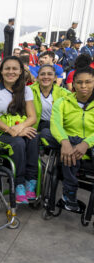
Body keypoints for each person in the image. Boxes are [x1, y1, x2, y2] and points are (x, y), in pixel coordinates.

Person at [0, 56, 39, 204]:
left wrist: (19, 128)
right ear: (1, 71)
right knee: (19, 143)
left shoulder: (26, 90)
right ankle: (19, 183)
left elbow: (32, 117)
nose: (11, 72)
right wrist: (11, 131)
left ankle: (31, 181)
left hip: (17, 128)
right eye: (7, 68)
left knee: (34, 138)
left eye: (15, 68)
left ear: (21, 71)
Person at [40, 67, 94, 211]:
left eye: (88, 82)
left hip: (90, 143)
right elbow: (56, 124)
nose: (83, 86)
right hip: (65, 140)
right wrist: (65, 142)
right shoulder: (62, 102)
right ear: (73, 84)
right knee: (45, 132)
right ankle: (69, 193)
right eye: (79, 82)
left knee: (75, 143)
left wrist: (85, 143)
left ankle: (69, 193)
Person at [30, 65, 71, 131]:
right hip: (34, 128)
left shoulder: (64, 94)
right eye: (42, 74)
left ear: (55, 78)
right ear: (37, 77)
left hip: (57, 128)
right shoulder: (28, 91)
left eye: (49, 74)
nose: (46, 77)